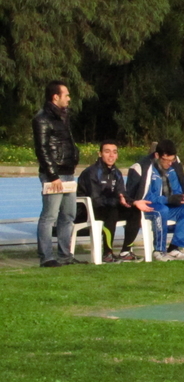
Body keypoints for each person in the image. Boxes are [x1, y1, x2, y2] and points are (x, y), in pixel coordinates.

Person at [32, 80, 84, 267]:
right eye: (66, 95)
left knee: (68, 215)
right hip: (54, 175)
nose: (69, 98)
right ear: (56, 96)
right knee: (49, 216)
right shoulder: (42, 118)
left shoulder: (63, 116)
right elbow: (42, 149)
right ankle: (46, 257)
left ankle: (65, 255)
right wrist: (52, 175)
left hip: (68, 173)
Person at [77, 140, 150, 263]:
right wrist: (117, 201)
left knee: (134, 211)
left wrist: (133, 203)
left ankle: (126, 252)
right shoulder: (91, 172)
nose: (111, 155)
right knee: (112, 211)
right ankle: (107, 253)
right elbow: (96, 200)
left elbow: (122, 195)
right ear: (100, 154)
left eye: (114, 152)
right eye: (107, 152)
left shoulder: (117, 173)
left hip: (109, 206)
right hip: (87, 210)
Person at [126, 140, 184, 261]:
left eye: (172, 160)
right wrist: (167, 199)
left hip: (167, 206)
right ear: (157, 155)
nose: (170, 163)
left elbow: (177, 190)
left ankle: (174, 248)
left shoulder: (173, 168)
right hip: (147, 208)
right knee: (162, 210)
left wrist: (178, 198)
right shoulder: (144, 167)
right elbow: (144, 197)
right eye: (166, 160)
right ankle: (159, 250)